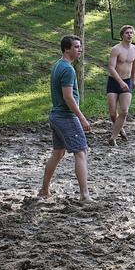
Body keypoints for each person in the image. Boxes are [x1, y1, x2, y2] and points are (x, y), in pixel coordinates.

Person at [39, 35, 92, 201]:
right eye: (76, 47)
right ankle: (84, 195)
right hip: (65, 117)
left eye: (80, 46)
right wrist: (82, 118)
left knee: (58, 153)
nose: (80, 50)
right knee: (81, 152)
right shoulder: (68, 69)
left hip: (56, 116)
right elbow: (68, 97)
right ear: (66, 49)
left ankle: (44, 190)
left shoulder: (58, 65)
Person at [107, 24, 135, 146]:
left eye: (131, 33)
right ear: (122, 35)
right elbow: (111, 67)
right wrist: (120, 82)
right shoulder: (116, 49)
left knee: (124, 111)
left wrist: (133, 79)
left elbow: (133, 64)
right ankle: (120, 128)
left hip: (127, 81)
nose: (129, 35)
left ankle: (113, 137)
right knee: (113, 113)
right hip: (114, 82)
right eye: (127, 33)